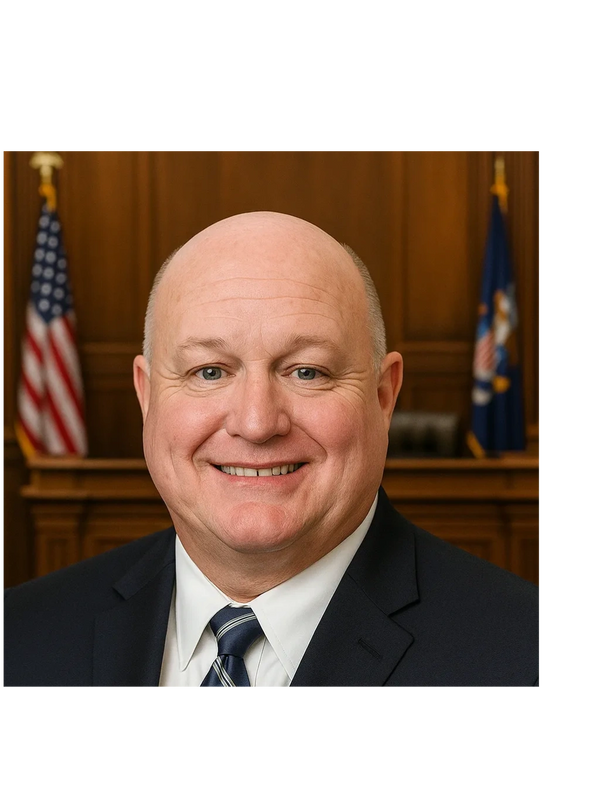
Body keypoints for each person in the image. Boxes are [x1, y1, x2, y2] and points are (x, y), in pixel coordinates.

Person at [1, 211, 541, 690]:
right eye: (209, 372)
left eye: (307, 372)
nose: (256, 423)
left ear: (383, 396)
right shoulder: (18, 635)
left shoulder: (523, 658)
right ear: (148, 397)